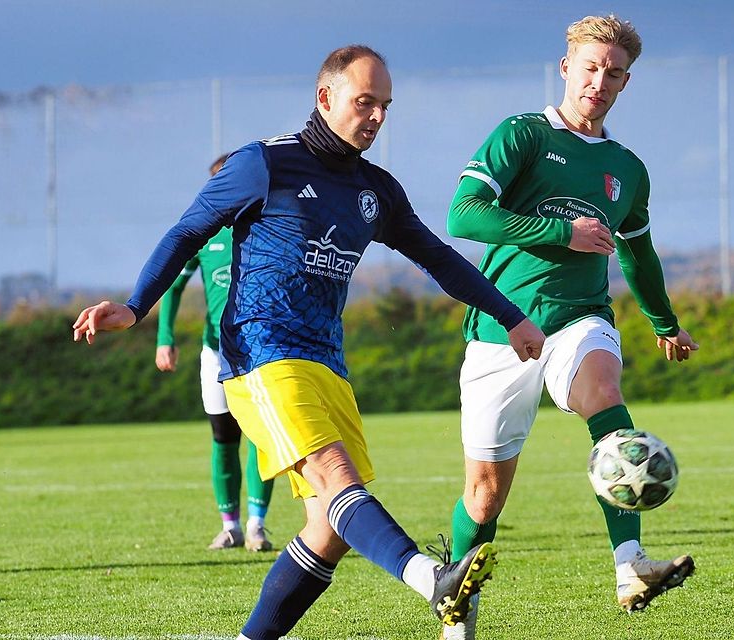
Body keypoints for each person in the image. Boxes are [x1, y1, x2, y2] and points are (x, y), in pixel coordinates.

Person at [73, 45, 546, 639]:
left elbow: (438, 258)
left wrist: (511, 316)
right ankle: (433, 579)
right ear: (325, 99)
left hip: (327, 360)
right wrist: (136, 305)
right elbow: (188, 230)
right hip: (261, 354)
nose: (375, 117)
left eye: (385, 106)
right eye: (363, 102)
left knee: (327, 526)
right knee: (334, 476)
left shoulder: (378, 189)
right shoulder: (263, 164)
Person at [440, 15, 698, 637]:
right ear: (566, 67)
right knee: (484, 497)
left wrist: (665, 321)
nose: (599, 81)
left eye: (613, 73)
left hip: (581, 319)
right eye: (590, 67)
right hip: (501, 329)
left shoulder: (626, 168)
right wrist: (564, 231)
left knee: (606, 395)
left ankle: (630, 565)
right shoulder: (522, 135)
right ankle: (454, 605)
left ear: (625, 83)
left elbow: (638, 253)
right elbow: (463, 216)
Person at [155, 153, 275, 552]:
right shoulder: (204, 235)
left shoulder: (266, 227)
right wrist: (164, 338)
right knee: (224, 436)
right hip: (216, 350)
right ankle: (231, 526)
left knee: (261, 437)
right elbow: (172, 285)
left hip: (261, 349)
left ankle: (258, 525)